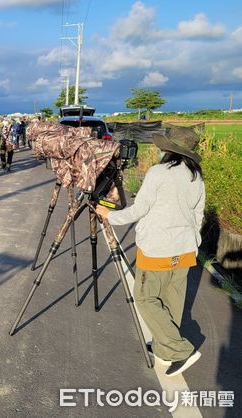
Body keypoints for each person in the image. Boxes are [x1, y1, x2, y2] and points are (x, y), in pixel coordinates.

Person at [95, 127, 205, 377]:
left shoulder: (158, 173)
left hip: (158, 249)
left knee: (145, 299)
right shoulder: (195, 176)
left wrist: (109, 215)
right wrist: (193, 242)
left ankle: (180, 351)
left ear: (168, 150)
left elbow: (139, 210)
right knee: (171, 301)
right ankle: (164, 348)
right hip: (185, 249)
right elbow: (198, 215)